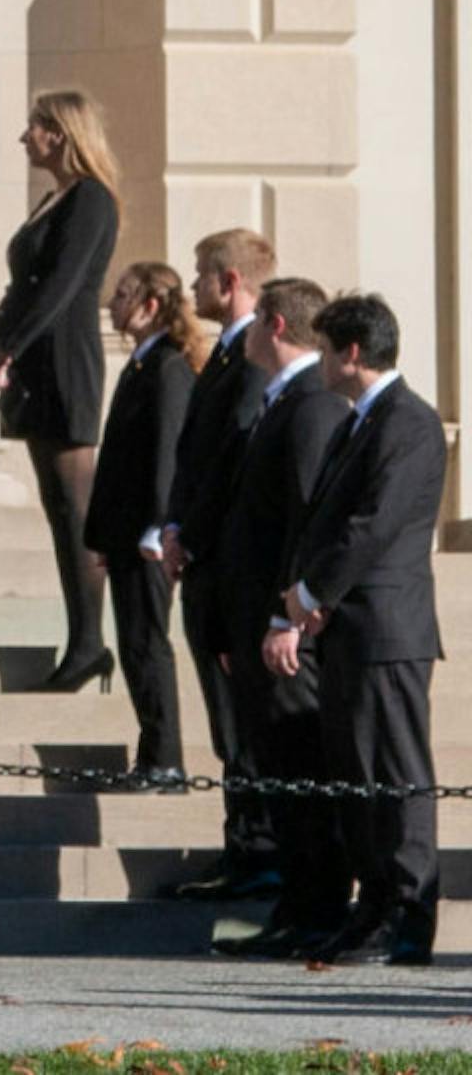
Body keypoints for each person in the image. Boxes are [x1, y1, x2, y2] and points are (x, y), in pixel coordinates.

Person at [275, 294, 445, 967]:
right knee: (357, 780)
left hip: (387, 632)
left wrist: (312, 592)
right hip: (350, 632)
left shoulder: (408, 422)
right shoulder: (360, 421)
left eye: (324, 349)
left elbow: (371, 525)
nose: (317, 362)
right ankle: (372, 908)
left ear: (351, 352)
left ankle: (406, 917)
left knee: (395, 777)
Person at [209, 277, 349, 959]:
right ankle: (298, 906)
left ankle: (317, 910)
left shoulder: (310, 402)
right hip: (257, 623)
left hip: (286, 632)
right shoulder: (285, 398)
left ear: (271, 323)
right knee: (281, 776)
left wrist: (284, 617)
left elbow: (304, 519)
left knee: (301, 775)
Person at [0, 90, 121, 692]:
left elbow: (59, 286)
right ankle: (81, 640)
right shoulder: (54, 199)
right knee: (58, 506)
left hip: (64, 358)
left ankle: (89, 642)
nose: (24, 139)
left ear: (61, 133)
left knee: (77, 510)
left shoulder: (90, 199)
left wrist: (7, 342)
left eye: (34, 128)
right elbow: (26, 284)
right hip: (38, 360)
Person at [159, 228, 279, 902]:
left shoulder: (254, 359)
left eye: (202, 273)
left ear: (230, 281)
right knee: (224, 723)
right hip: (204, 561)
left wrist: (188, 533)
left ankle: (259, 853)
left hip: (229, 567)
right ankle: (243, 846)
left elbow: (230, 457)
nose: (192, 284)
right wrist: (174, 526)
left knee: (242, 723)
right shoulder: (224, 356)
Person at [82, 263, 201, 788]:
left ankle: (164, 758)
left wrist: (159, 526)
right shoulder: (140, 365)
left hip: (149, 536)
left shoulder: (169, 368)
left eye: (124, 294)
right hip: (128, 533)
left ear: (151, 305)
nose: (113, 302)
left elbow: (169, 455)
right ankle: (152, 755)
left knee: (147, 644)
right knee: (133, 644)